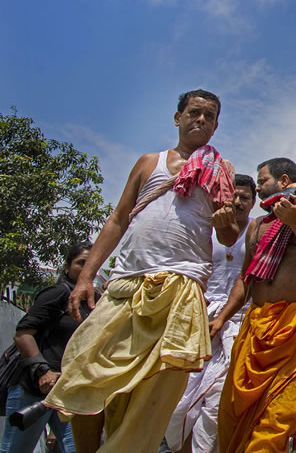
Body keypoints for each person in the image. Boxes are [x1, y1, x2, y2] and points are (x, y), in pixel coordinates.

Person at [44, 90, 239, 453]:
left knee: (153, 392)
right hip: (126, 284)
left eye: (209, 116)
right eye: (194, 113)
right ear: (177, 117)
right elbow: (118, 220)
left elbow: (228, 235)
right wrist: (86, 277)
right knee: (85, 370)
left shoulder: (220, 169)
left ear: (215, 126)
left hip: (181, 288)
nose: (200, 120)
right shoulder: (150, 163)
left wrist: (224, 221)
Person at [215, 158, 296, 453]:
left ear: (284, 181)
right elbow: (245, 279)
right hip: (257, 327)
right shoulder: (257, 225)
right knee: (232, 414)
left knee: (279, 418)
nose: (258, 186)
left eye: (262, 181)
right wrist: (222, 318)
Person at [164, 174, 257, 453]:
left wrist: (224, 318)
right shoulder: (207, 228)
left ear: (253, 203)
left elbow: (251, 279)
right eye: (234, 197)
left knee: (219, 400)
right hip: (198, 319)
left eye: (245, 198)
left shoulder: (259, 232)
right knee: (179, 399)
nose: (238, 203)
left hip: (238, 322)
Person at [2, 242, 92, 453]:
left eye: (92, 264)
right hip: (34, 390)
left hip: (71, 393)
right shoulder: (57, 293)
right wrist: (43, 370)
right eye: (81, 263)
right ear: (67, 267)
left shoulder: (96, 301)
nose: (87, 268)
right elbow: (23, 334)